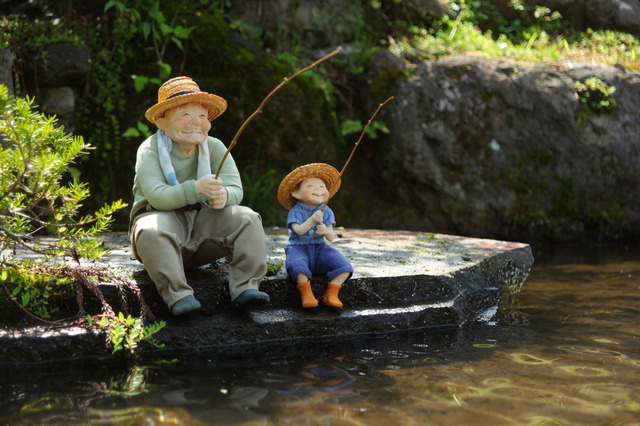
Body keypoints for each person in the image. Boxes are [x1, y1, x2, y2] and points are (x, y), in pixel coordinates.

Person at [129, 76, 270, 316]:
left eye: (202, 116)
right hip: (163, 224)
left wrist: (223, 196)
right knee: (150, 230)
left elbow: (236, 188)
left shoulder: (214, 146)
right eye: (185, 115)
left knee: (247, 217)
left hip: (203, 225)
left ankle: (246, 286)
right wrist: (196, 188)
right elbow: (158, 197)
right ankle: (178, 295)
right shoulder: (150, 148)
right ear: (162, 121)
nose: (196, 122)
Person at [277, 163, 353, 309]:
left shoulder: (327, 211)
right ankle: (306, 293)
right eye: (310, 186)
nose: (318, 190)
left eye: (322, 186)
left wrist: (325, 230)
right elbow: (298, 231)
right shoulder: (296, 210)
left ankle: (331, 293)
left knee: (344, 266)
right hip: (298, 247)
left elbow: (331, 237)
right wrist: (312, 220)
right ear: (296, 193)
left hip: (320, 248)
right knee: (297, 266)